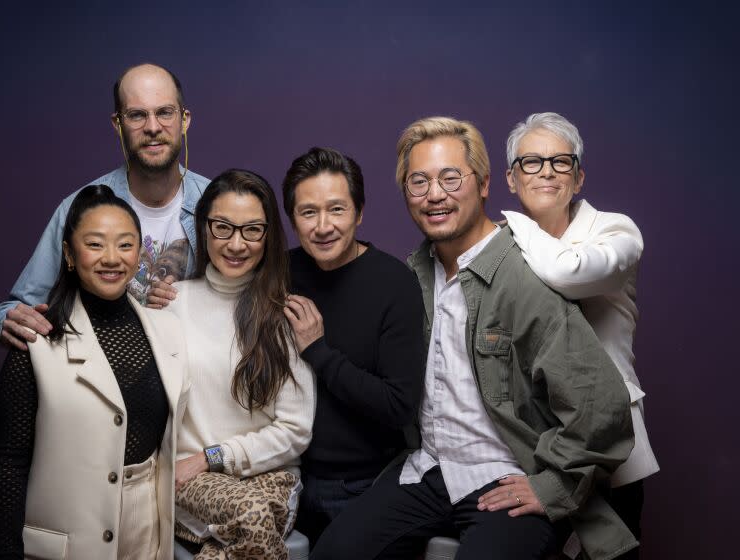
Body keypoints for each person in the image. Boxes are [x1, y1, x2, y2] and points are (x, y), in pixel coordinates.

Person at [310, 117, 636, 560]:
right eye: (418, 181)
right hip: (427, 471)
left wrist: (552, 485)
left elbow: (601, 404)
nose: (435, 194)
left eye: (450, 178)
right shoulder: (414, 275)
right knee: (334, 553)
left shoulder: (526, 276)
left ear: (484, 185)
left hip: (504, 475)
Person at [0, 185, 189, 560]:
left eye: (125, 245)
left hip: (147, 536)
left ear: (140, 254)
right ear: (68, 253)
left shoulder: (168, 331)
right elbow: (10, 465)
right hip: (70, 540)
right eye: (95, 244)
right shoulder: (34, 341)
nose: (111, 258)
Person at [502, 111, 659, 558]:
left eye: (561, 161)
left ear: (579, 175)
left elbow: (564, 272)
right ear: (512, 178)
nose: (547, 171)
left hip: (610, 446)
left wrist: (513, 224)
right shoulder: (504, 242)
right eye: (531, 162)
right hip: (532, 443)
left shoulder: (617, 231)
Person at [0, 63, 209, 350]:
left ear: (184, 119)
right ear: (118, 124)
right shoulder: (79, 207)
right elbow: (14, 310)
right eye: (137, 115)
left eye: (165, 112)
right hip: (107, 379)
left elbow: (249, 303)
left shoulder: (215, 204)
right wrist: (11, 321)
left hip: (192, 382)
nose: (153, 127)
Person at [165, 169, 316, 559]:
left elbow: (295, 430)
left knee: (249, 520)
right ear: (203, 229)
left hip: (272, 478)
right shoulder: (170, 305)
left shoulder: (282, 314)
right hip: (193, 479)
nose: (236, 244)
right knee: (251, 515)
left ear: (268, 236)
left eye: (252, 230)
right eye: (223, 228)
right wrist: (196, 465)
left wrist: (213, 456)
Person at [279, 147, 425, 546]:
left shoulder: (394, 283)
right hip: (284, 476)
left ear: (359, 213)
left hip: (364, 485)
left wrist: (318, 351)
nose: (323, 226)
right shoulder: (278, 273)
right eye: (308, 212)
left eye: (337, 210)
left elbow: (398, 406)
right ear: (292, 219)